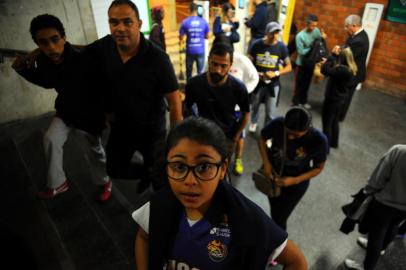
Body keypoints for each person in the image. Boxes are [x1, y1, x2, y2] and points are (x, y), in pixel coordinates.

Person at [132, 116, 308, 270]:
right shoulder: (160, 205)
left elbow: (297, 262)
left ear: (223, 169)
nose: (190, 181)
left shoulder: (248, 220)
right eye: (179, 166)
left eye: (204, 167)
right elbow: (143, 236)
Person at [12, 14, 111, 201]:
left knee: (95, 151)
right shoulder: (43, 60)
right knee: (50, 139)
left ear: (64, 38)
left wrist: (106, 114)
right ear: (38, 44)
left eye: (55, 40)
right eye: (43, 43)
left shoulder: (83, 58)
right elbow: (46, 81)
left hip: (89, 115)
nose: (51, 47)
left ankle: (105, 181)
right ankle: (58, 183)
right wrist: (23, 69)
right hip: (66, 111)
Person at [86, 0, 183, 191]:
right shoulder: (104, 48)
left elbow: (174, 101)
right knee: (114, 168)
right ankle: (145, 173)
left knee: (160, 178)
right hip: (122, 127)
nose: (120, 28)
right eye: (114, 22)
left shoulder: (157, 58)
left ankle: (159, 206)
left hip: (152, 131)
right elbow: (76, 52)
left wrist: (175, 142)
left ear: (139, 24)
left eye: (127, 22)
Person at [257, 106, 328, 230]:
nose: (290, 137)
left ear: (307, 129)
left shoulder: (319, 140)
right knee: (275, 210)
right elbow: (261, 138)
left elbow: (318, 168)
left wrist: (294, 180)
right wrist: (267, 164)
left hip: (296, 185)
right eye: (288, 132)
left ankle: (278, 241)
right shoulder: (278, 123)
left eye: (295, 135)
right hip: (273, 177)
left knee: (280, 217)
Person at [344, 144, 406, 270]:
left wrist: (367, 191)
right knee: (393, 225)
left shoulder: (399, 151)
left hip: (385, 203)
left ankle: (366, 267)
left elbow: (379, 177)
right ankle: (381, 248)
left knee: (376, 233)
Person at [185, 42, 250, 160]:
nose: (218, 70)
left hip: (227, 136)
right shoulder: (194, 84)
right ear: (209, 60)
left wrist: (235, 138)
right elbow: (186, 109)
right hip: (202, 135)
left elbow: (246, 114)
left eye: (223, 66)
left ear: (230, 65)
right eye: (214, 64)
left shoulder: (238, 88)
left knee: (221, 169)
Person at [248, 22, 292, 133]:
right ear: (266, 33)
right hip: (257, 83)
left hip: (273, 84)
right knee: (255, 105)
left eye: (277, 32)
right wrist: (256, 73)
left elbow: (289, 66)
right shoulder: (257, 44)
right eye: (272, 32)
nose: (275, 35)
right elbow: (248, 62)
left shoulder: (281, 47)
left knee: (270, 111)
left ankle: (267, 131)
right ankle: (253, 122)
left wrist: (276, 73)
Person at [229, 50, 259, 175]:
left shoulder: (241, 60)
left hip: (236, 109)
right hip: (219, 107)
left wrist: (243, 92)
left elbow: (254, 78)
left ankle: (238, 160)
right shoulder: (213, 61)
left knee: (239, 135)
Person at [321, 47, 357, 150]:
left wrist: (331, 57)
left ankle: (325, 147)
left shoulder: (342, 70)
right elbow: (333, 70)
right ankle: (333, 143)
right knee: (334, 121)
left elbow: (325, 70)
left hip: (333, 99)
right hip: (340, 99)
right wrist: (330, 62)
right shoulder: (350, 68)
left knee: (326, 123)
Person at [339, 14, 370, 121]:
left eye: (347, 26)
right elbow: (347, 47)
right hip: (352, 71)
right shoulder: (356, 36)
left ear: (354, 25)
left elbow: (348, 57)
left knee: (346, 96)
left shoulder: (359, 40)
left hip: (353, 74)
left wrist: (337, 53)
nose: (345, 29)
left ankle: (339, 117)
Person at [292, 14, 326, 109]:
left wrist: (322, 38)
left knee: (306, 84)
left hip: (310, 63)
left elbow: (319, 42)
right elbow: (301, 51)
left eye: (315, 25)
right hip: (301, 64)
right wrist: (312, 48)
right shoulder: (300, 36)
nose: (314, 28)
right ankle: (296, 102)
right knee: (299, 85)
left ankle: (303, 101)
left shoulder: (316, 31)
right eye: (312, 25)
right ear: (307, 24)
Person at [179, 2, 210, 81]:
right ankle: (200, 89)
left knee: (189, 72)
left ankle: (189, 88)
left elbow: (181, 37)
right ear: (197, 10)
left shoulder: (185, 22)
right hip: (200, 50)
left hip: (190, 50)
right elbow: (207, 36)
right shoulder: (203, 22)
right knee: (200, 72)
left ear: (189, 10)